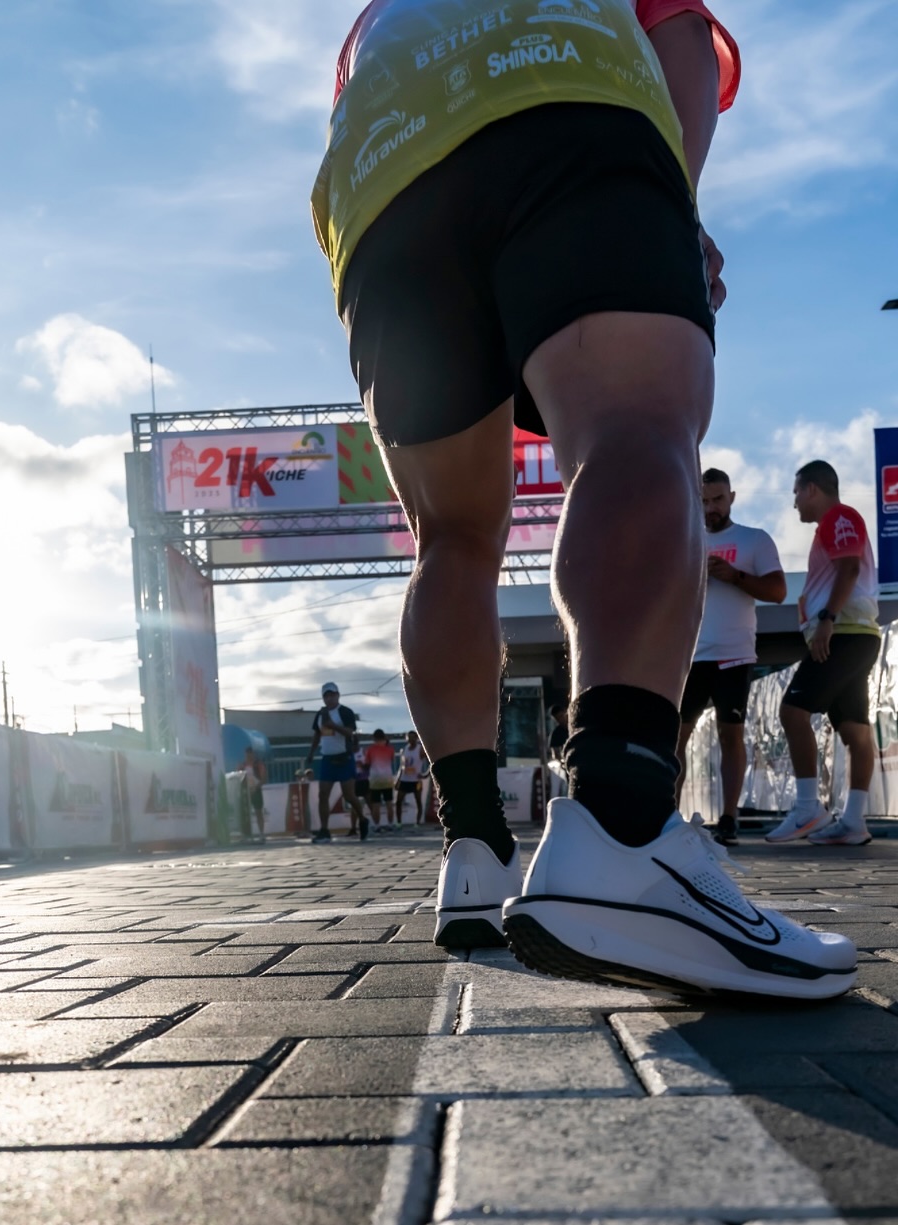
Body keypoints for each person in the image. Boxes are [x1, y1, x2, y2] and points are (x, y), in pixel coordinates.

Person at [312, 0, 856, 994]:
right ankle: (622, 825)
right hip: (558, 80)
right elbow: (678, 34)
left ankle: (473, 853)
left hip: (379, 170)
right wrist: (673, 212)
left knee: (452, 541)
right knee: (634, 425)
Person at [766, 460, 880, 847]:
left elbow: (848, 569)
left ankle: (807, 808)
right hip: (855, 634)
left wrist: (827, 620)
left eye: (797, 492)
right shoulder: (833, 524)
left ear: (812, 489)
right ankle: (853, 822)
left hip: (844, 633)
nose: (795, 502)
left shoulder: (838, 517)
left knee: (792, 711)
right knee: (854, 730)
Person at [677, 468, 786, 844]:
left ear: (732, 497)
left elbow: (777, 591)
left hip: (733, 654)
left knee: (730, 735)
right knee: (676, 737)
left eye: (718, 499)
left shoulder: (754, 540)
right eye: (704, 500)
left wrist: (734, 576)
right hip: (689, 654)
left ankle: (728, 817)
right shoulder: (684, 541)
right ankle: (669, 819)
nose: (711, 507)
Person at [304, 682, 369, 843]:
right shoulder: (320, 714)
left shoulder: (345, 712)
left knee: (349, 795)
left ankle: (362, 819)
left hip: (344, 757)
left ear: (338, 695)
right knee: (323, 793)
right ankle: (324, 830)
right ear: (323, 698)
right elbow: (317, 735)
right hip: (327, 758)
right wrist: (311, 753)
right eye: (326, 695)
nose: (329, 698)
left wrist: (333, 725)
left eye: (332, 695)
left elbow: (350, 733)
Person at [364, 728, 397, 831]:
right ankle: (390, 824)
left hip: (375, 781)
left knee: (376, 804)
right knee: (389, 803)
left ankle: (377, 825)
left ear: (374, 738)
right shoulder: (390, 749)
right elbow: (392, 760)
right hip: (387, 779)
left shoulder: (370, 749)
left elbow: (367, 764)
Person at [395, 729, 429, 827]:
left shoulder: (420, 749)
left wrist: (426, 774)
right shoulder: (405, 748)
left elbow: (430, 762)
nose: (410, 739)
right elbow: (402, 766)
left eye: (413, 737)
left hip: (416, 780)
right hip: (405, 779)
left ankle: (417, 822)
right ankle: (399, 822)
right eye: (409, 737)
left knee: (418, 801)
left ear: (417, 738)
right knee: (398, 801)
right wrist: (398, 779)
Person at [241, 746, 268, 844]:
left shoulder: (258, 764)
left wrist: (256, 787)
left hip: (256, 790)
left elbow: (264, 778)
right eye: (247, 753)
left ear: (253, 754)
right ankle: (246, 834)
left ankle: (261, 833)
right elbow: (238, 777)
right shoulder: (242, 765)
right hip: (245, 792)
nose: (249, 755)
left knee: (258, 813)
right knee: (244, 814)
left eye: (251, 753)